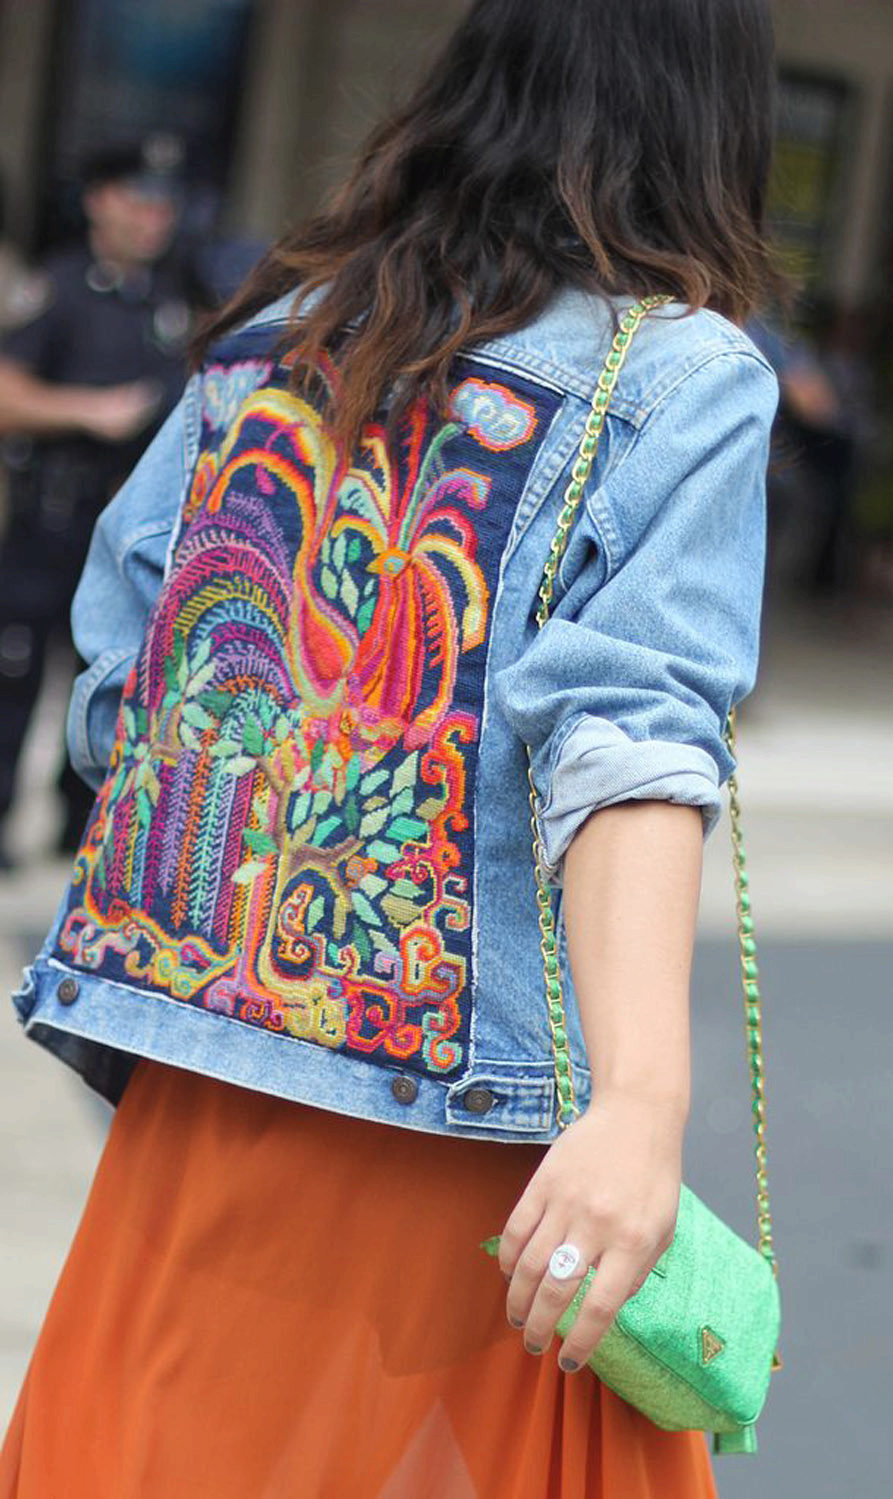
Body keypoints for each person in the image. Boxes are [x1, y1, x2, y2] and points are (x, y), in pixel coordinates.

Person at [1, 2, 779, 1494]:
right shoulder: (682, 374)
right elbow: (628, 739)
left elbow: (123, 675)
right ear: (708, 116)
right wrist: (642, 1102)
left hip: (202, 1092)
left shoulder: (278, 334)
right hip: (455, 1135)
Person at [0, 142, 196, 867]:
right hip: (53, 517)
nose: (155, 218)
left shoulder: (174, 298)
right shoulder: (58, 287)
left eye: (165, 204)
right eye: (139, 200)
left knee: (112, 673)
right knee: (15, 674)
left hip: (133, 532)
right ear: (98, 202)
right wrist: (90, 411)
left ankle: (79, 830)